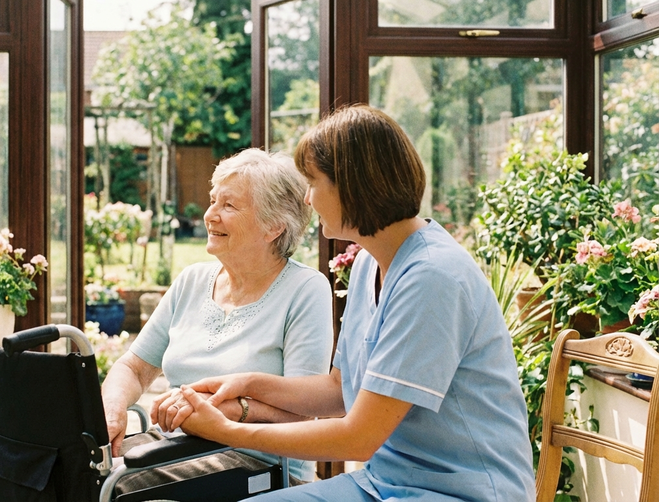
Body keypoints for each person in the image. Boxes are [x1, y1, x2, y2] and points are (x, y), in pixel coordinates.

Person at [165, 105, 536, 501]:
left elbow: (359, 438)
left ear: (355, 185)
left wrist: (227, 431)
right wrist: (249, 383)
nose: (306, 199)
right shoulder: (367, 264)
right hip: (385, 484)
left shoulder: (434, 276)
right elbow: (339, 390)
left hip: (463, 492)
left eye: (313, 182)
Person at [100, 148, 334, 489]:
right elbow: (134, 369)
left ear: (273, 227)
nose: (210, 215)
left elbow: (305, 411)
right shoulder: (192, 280)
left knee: (125, 488)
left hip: (257, 458)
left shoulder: (305, 289)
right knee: (78, 471)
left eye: (229, 205)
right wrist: (113, 408)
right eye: (213, 200)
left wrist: (235, 409)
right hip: (173, 444)